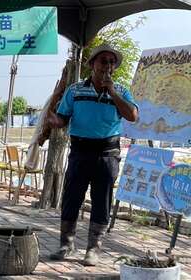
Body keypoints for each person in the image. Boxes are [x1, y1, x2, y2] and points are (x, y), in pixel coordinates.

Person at [47, 44, 139, 266]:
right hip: (80, 151)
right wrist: (54, 121)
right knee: (72, 198)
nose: (107, 65)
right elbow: (63, 119)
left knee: (101, 200)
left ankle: (93, 249)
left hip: (107, 153)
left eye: (111, 62)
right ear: (92, 64)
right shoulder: (75, 90)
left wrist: (113, 92)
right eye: (103, 61)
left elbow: (133, 115)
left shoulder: (122, 91)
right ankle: (66, 244)